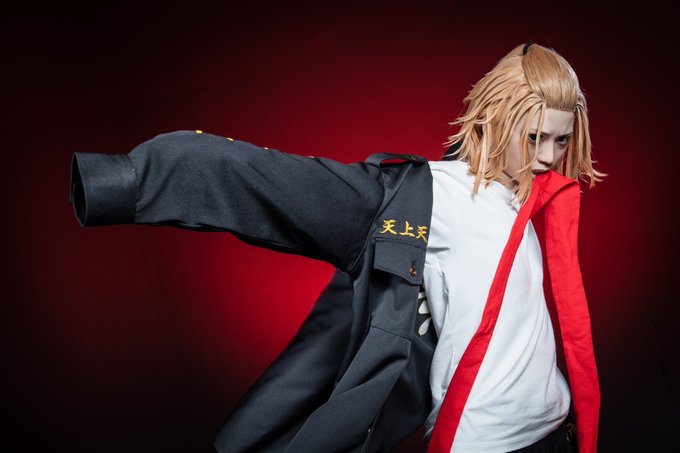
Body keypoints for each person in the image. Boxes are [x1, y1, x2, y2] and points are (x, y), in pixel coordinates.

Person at [69, 41, 605, 453]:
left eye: (561, 140)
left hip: (555, 427)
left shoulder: (528, 199)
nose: (548, 156)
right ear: (495, 118)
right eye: (534, 138)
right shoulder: (437, 196)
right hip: (487, 442)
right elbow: (281, 184)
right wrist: (127, 182)